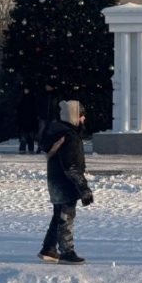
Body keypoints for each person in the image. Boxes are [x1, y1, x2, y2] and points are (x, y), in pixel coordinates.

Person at [38, 100, 93, 265]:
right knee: (66, 217)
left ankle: (49, 249)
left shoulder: (58, 133)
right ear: (74, 117)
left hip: (56, 181)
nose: (84, 119)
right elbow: (72, 167)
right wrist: (83, 188)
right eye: (81, 115)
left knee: (58, 215)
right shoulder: (70, 137)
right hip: (66, 183)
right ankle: (66, 252)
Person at [16, 87, 38, 154]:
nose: (26, 91)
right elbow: (19, 110)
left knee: (30, 136)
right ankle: (23, 149)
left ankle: (30, 149)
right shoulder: (22, 98)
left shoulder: (32, 99)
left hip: (31, 119)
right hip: (23, 119)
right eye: (25, 89)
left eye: (27, 89)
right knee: (24, 136)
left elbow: (35, 110)